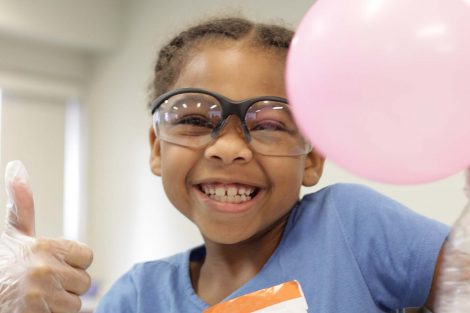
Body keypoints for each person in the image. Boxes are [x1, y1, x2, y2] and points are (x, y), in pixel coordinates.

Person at [0, 16, 467, 313]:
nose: (228, 147)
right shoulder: (136, 298)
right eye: (195, 119)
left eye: (268, 124)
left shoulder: (351, 227)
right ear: (158, 148)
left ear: (313, 157)